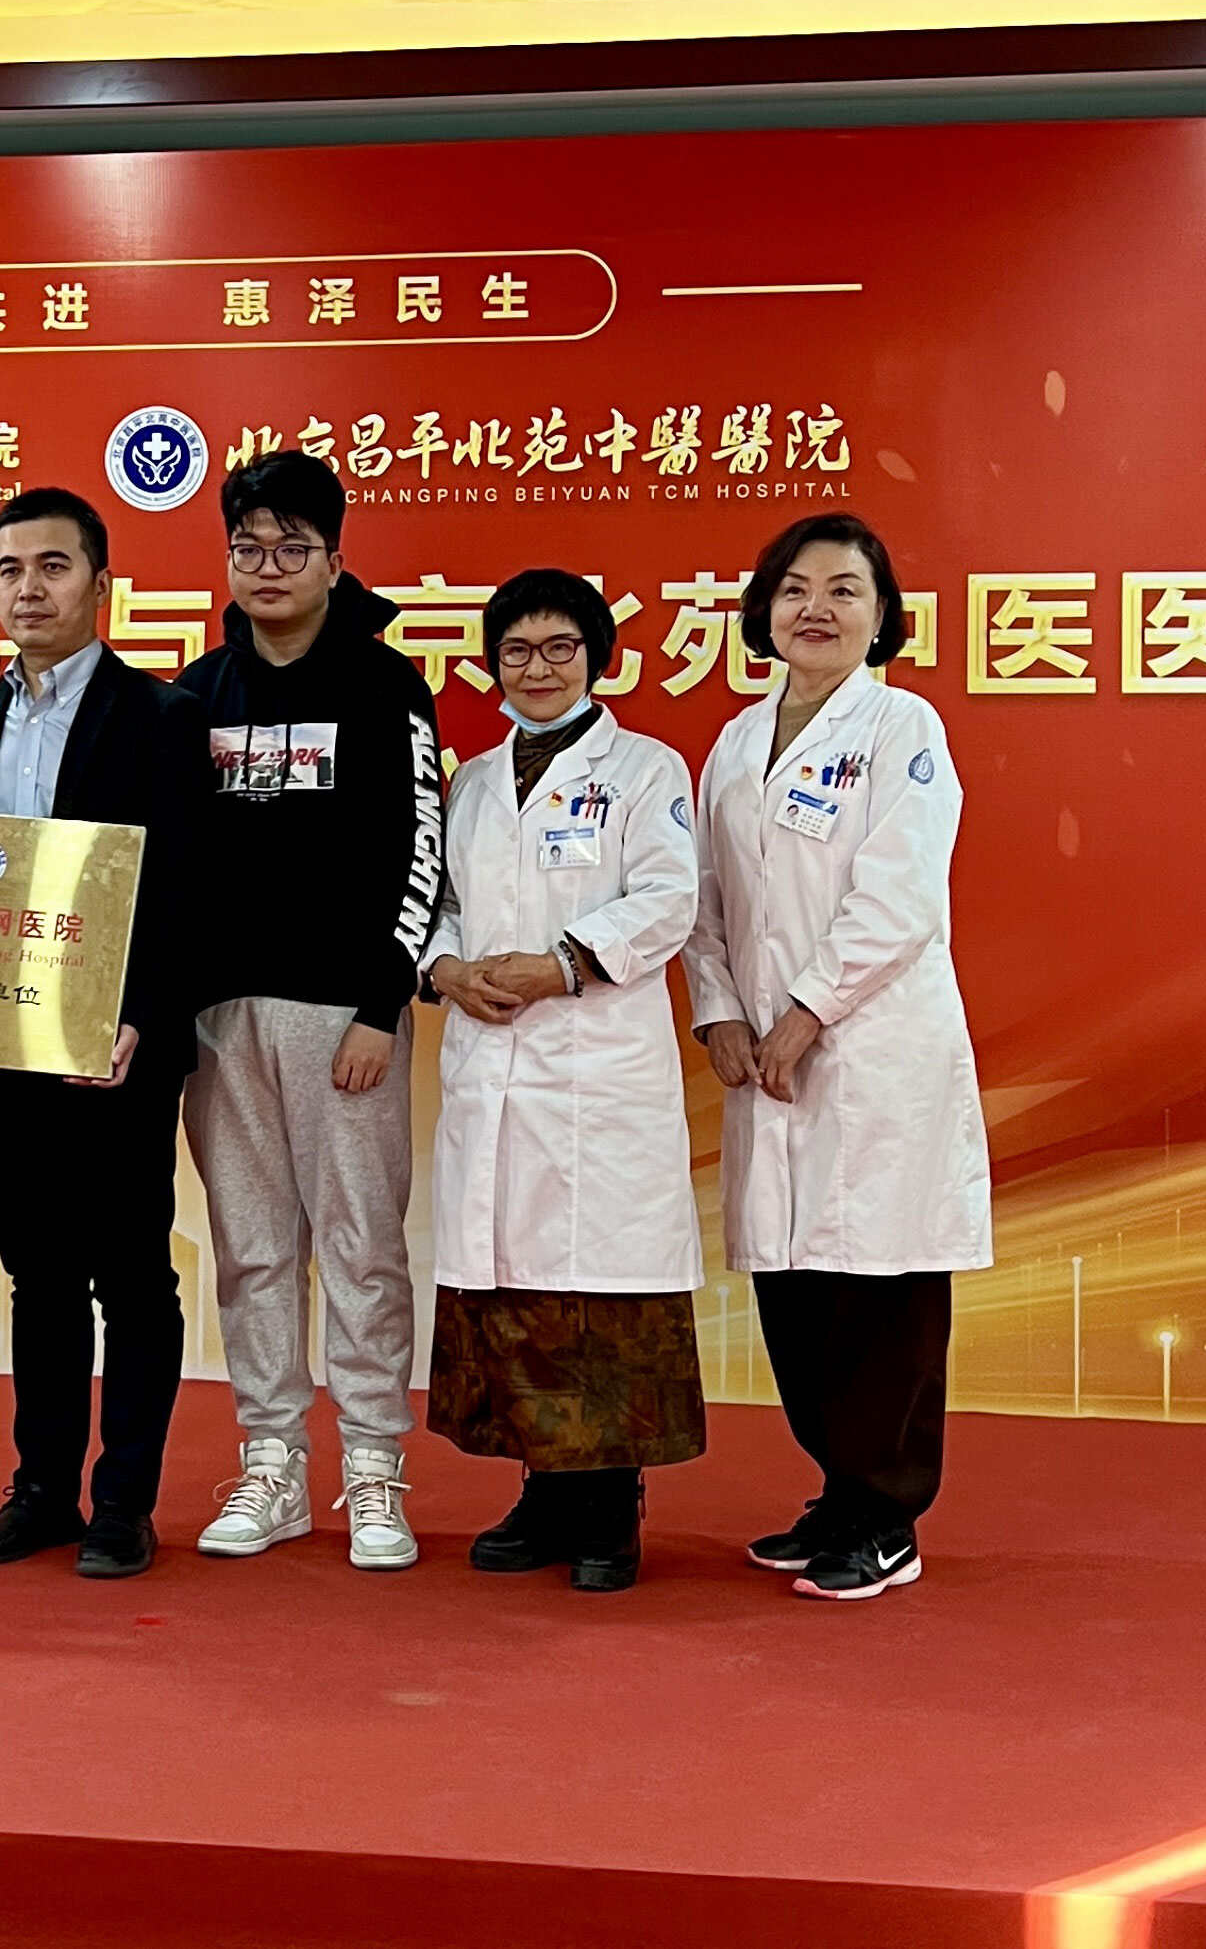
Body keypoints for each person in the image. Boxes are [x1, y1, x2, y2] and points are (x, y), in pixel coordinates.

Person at [682, 514, 991, 1603]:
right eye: (794, 588)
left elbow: (899, 896)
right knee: (797, 1283)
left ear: (881, 615)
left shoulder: (903, 728)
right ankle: (840, 1489)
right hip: (766, 1055)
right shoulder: (734, 742)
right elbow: (705, 902)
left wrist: (807, 1011)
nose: (815, 608)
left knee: (881, 1286)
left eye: (844, 590)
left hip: (870, 1049)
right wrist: (720, 1013)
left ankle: (886, 1512)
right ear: (764, 610)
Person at [0, 489, 215, 1579]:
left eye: (53, 567)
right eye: (10, 569)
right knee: (38, 1275)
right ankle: (42, 1490)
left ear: (101, 584)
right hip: (4, 1037)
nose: (29, 589)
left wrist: (140, 1013)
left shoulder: (162, 714)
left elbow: (186, 884)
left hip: (116, 1046)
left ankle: (124, 1502)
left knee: (132, 1277)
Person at [173, 452, 444, 1570]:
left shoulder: (387, 687)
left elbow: (420, 848)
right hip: (218, 1022)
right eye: (248, 548)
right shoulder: (195, 693)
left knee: (362, 1249)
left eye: (293, 547)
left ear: (336, 559)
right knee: (250, 1251)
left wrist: (382, 1003)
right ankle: (272, 1460)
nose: (268, 567)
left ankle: (373, 1466)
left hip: (344, 1022)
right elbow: (161, 862)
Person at [420, 571, 704, 1593]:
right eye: (516, 650)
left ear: (596, 657)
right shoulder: (471, 782)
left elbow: (669, 897)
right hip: (493, 1060)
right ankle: (542, 1490)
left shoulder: (645, 769)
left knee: (602, 1293)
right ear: (491, 663)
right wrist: (447, 970)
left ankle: (609, 1505)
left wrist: (563, 964)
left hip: (596, 1067)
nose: (536, 668)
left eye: (558, 648)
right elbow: (440, 902)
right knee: (513, 1287)